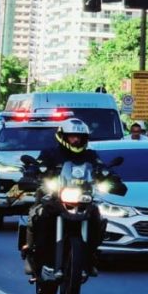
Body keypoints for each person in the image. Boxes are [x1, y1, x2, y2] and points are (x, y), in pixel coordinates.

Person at [24, 118, 106, 280]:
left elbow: (100, 167)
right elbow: (39, 165)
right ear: (63, 136)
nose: (76, 139)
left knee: (97, 216)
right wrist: (33, 171)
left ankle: (90, 258)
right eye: (72, 136)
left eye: (79, 137)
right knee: (39, 215)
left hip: (83, 198)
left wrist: (110, 176)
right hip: (54, 196)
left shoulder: (90, 155)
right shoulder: (50, 153)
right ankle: (34, 256)